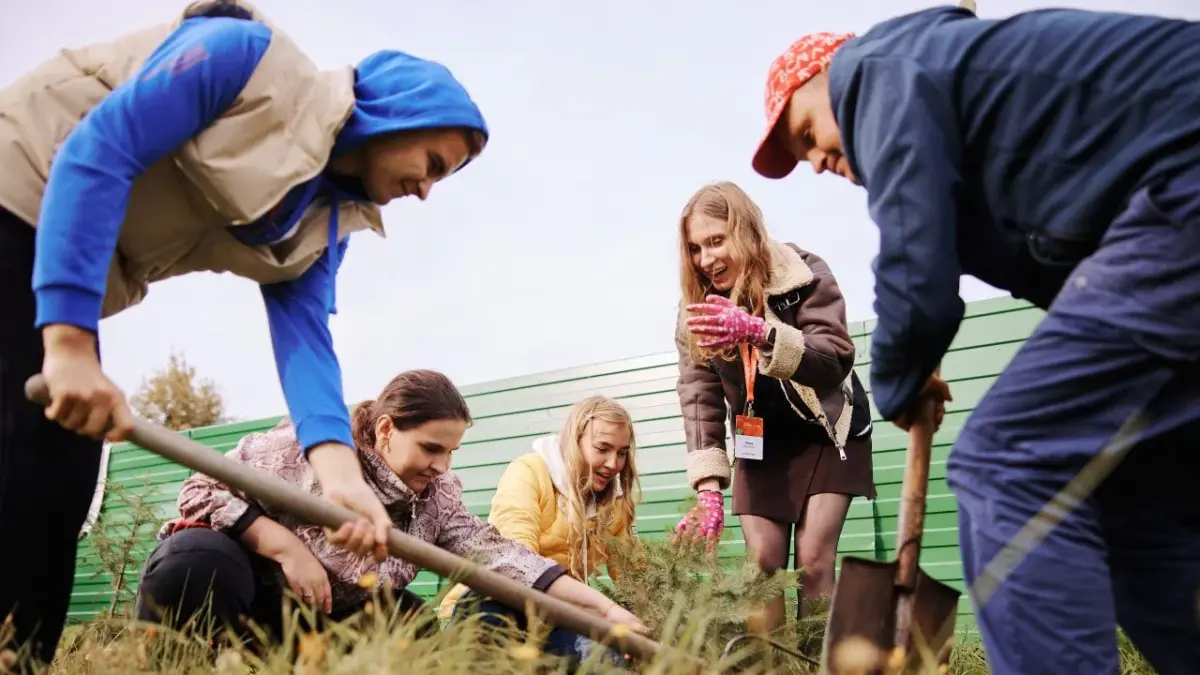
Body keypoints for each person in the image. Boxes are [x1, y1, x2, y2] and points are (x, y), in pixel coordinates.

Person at [0, 0, 490, 663]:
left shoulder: (325, 226)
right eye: (434, 162)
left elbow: (306, 338)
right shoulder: (243, 60)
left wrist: (341, 477)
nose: (429, 190)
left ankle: (18, 658)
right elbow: (97, 148)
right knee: (31, 462)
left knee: (57, 485)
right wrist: (69, 344)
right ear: (401, 111)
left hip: (42, 265)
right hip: (17, 194)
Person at [748, 6, 1200, 675]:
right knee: (1125, 501)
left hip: (1184, 189)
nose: (815, 161)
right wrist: (921, 354)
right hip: (1170, 218)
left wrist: (900, 378)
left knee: (1004, 461)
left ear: (827, 75)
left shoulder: (878, 71)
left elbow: (916, 265)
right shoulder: (968, 119)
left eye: (806, 132)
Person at [134, 370, 648, 650]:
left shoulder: (437, 497)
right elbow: (199, 491)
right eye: (430, 449)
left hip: (326, 617)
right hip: (251, 591)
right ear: (386, 430)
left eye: (451, 453)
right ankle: (181, 660)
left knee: (415, 631)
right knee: (195, 560)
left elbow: (507, 558)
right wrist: (283, 544)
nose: (442, 466)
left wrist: (603, 609)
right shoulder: (307, 448)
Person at [670, 181, 874, 637]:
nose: (707, 259)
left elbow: (834, 357)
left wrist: (760, 332)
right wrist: (707, 487)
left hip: (826, 430)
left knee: (813, 560)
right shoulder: (695, 312)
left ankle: (813, 668)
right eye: (696, 248)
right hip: (760, 442)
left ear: (744, 230)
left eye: (717, 240)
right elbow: (699, 395)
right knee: (761, 567)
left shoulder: (802, 273)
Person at [438, 395, 641, 666]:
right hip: (497, 604)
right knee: (494, 615)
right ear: (574, 441)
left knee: (604, 649)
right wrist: (603, 607)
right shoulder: (529, 472)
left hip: (556, 622)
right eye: (602, 448)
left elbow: (634, 576)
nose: (613, 463)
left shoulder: (614, 503)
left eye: (622, 452)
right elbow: (515, 563)